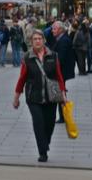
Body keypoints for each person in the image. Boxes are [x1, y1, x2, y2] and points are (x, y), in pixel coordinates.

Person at [14, 29, 67, 162]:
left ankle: (46, 142)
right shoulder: (27, 57)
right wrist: (16, 97)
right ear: (31, 42)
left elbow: (59, 76)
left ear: (44, 40)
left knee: (49, 124)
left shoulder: (53, 56)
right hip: (33, 97)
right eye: (35, 39)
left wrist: (63, 94)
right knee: (38, 123)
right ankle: (42, 152)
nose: (37, 41)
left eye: (39, 38)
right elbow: (22, 78)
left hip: (51, 96)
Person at [50, 21, 75, 122]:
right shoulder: (61, 38)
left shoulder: (63, 40)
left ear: (60, 29)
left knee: (60, 93)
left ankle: (63, 116)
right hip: (61, 71)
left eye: (54, 29)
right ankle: (62, 116)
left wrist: (53, 67)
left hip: (62, 71)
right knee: (60, 93)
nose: (52, 31)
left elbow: (61, 58)